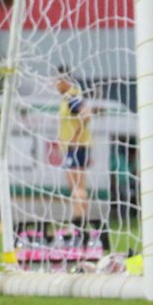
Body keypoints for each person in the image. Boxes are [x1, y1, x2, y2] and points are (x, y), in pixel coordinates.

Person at [56, 66, 108, 248]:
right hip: (76, 147)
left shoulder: (71, 96)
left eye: (56, 81)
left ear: (64, 80)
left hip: (75, 148)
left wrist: (76, 135)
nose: (54, 85)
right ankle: (80, 224)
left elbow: (86, 113)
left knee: (76, 188)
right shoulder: (70, 96)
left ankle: (77, 225)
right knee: (79, 188)